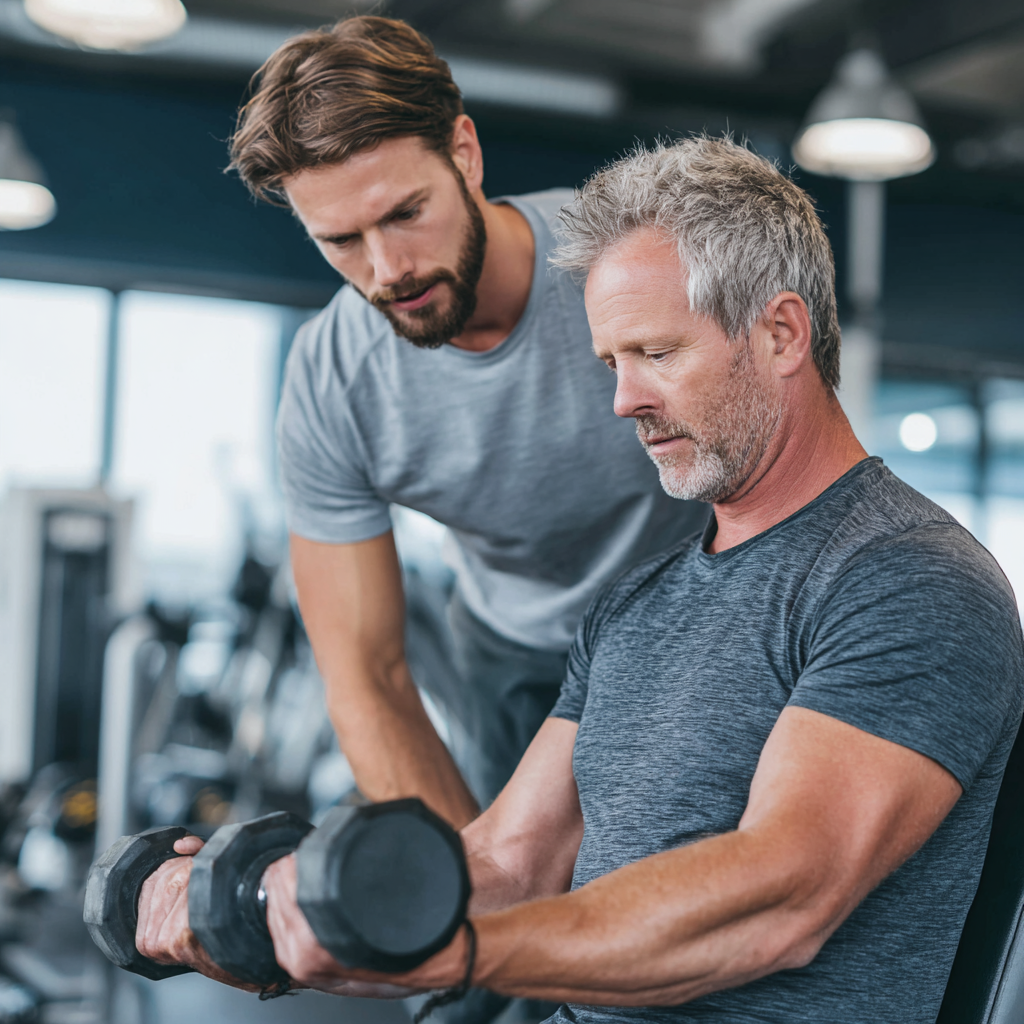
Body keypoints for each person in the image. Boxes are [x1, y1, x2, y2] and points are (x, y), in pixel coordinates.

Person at [137, 138, 1024, 1024]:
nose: (622, 400)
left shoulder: (911, 582)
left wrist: (459, 952)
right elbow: (505, 867)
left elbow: (783, 892)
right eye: (612, 362)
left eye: (657, 353)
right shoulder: (635, 607)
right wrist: (256, 908)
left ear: (782, 332)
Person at [228, 15, 705, 847]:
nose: (387, 269)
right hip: (512, 658)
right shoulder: (333, 376)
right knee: (499, 939)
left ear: (465, 154)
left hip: (695, 626)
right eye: (339, 241)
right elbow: (366, 676)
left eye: (405, 213)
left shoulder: (632, 272)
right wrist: (466, 900)